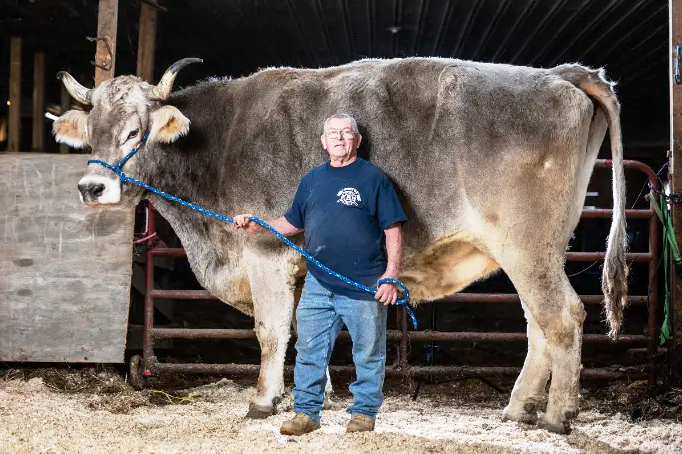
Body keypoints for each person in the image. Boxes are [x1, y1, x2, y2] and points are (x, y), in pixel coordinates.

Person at [234, 113, 407, 435]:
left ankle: (364, 413)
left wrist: (391, 275)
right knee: (309, 351)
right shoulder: (312, 180)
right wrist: (257, 225)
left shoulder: (373, 178)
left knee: (368, 353)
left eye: (346, 133)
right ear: (323, 142)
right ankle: (306, 413)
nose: (339, 138)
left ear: (357, 140)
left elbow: (392, 228)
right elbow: (290, 223)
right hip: (318, 283)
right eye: (333, 133)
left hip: (364, 284)